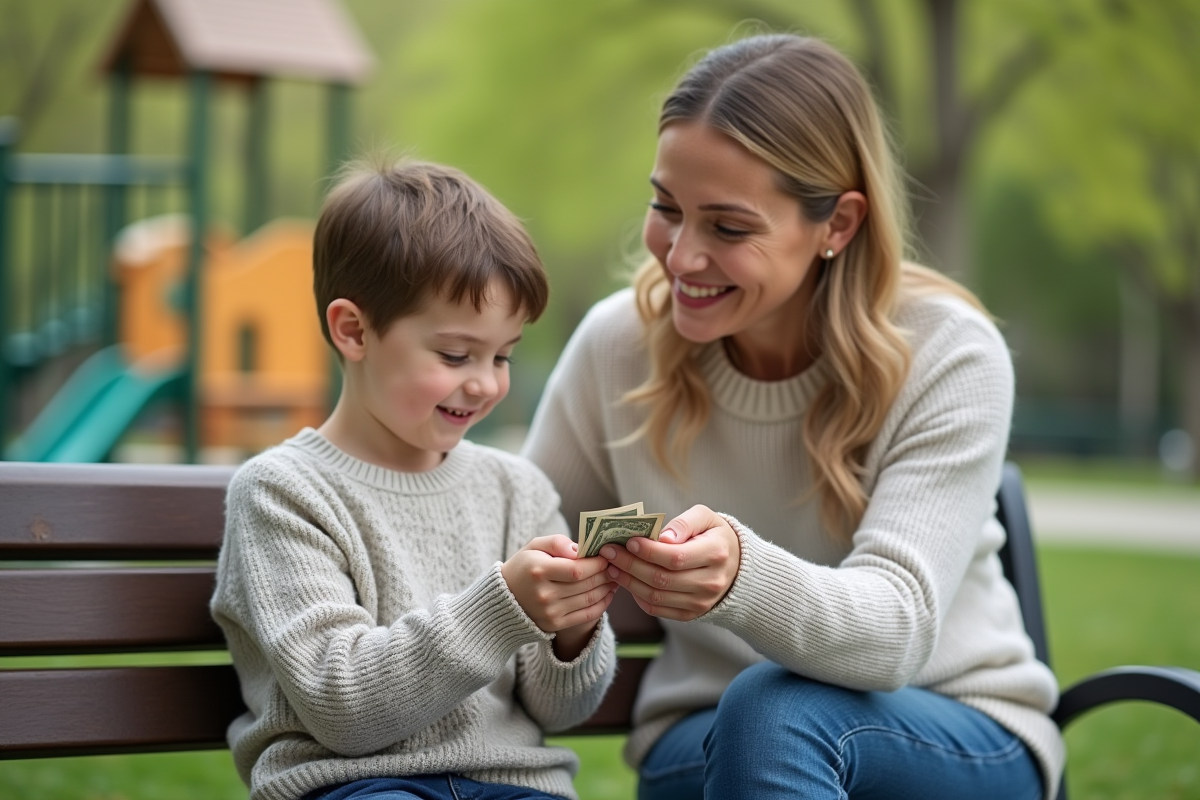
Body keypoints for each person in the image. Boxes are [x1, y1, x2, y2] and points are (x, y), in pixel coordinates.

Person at [522, 34, 1063, 800]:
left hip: (949, 733)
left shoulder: (947, 352)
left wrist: (740, 574)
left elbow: (896, 630)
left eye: (728, 227)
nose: (678, 257)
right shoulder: (618, 347)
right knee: (762, 719)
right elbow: (522, 546)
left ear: (837, 225)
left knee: (776, 713)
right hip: (708, 743)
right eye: (665, 208)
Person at [211, 159, 618, 800]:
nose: (485, 382)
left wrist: (574, 631)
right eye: (455, 355)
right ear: (354, 331)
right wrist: (504, 607)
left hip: (513, 787)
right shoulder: (283, 493)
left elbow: (560, 710)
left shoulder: (519, 490)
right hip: (356, 785)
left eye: (503, 355)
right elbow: (343, 709)